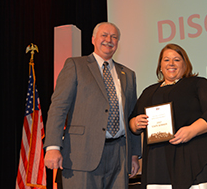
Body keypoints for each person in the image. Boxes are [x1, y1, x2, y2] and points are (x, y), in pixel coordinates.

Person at [43, 22, 141, 189]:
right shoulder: (75, 66)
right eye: (104, 35)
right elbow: (58, 107)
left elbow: (132, 115)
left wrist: (134, 154)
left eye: (114, 37)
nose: (109, 40)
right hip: (82, 154)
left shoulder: (128, 75)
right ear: (93, 39)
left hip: (119, 155)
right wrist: (53, 146)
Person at [130, 43, 207, 189]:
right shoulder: (149, 92)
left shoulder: (198, 84)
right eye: (166, 60)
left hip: (198, 157)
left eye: (177, 59)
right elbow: (133, 121)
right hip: (159, 164)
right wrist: (135, 123)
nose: (171, 63)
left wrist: (192, 130)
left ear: (185, 64)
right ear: (160, 65)